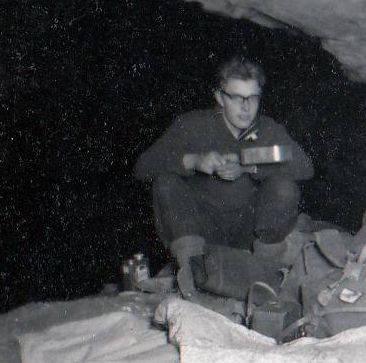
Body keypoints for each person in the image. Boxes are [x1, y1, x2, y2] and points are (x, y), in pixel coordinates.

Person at [134, 56, 314, 297]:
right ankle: (191, 270)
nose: (246, 107)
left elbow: (304, 167)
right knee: (166, 182)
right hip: (203, 229)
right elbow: (143, 167)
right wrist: (193, 161)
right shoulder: (194, 124)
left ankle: (266, 270)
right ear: (219, 97)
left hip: (249, 232)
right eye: (237, 98)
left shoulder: (268, 129)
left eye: (253, 98)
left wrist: (248, 166)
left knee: (284, 187)